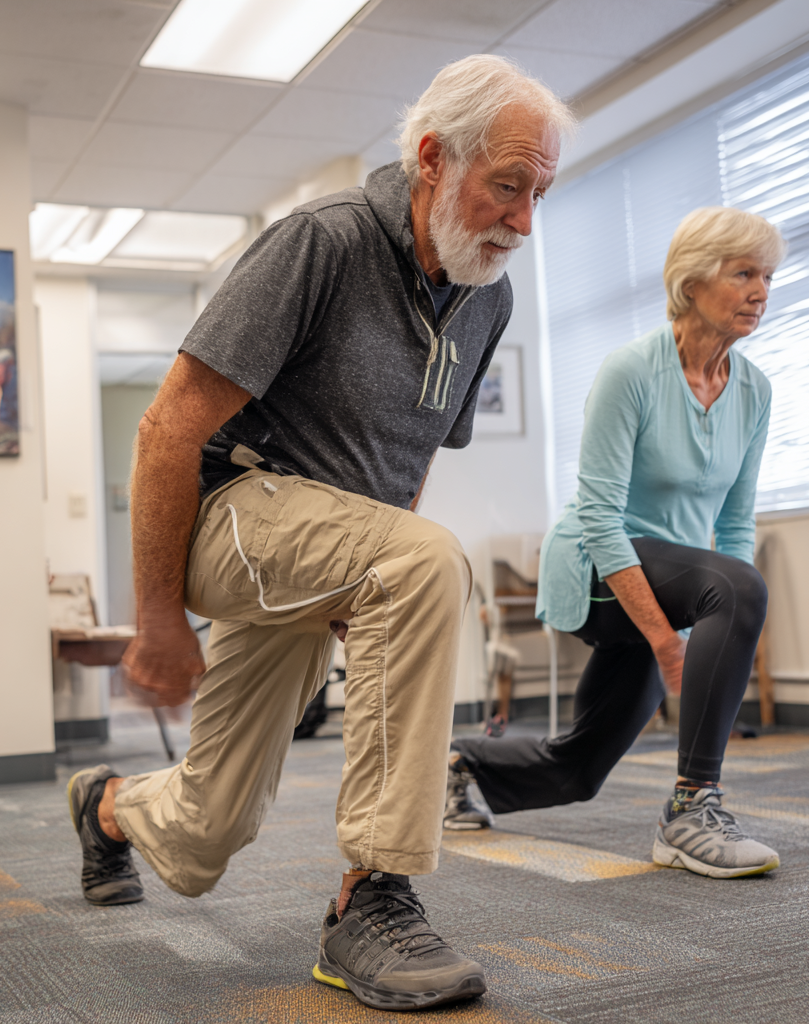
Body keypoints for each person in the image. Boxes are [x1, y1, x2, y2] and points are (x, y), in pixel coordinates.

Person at [65, 55, 575, 1013]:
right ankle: (372, 896)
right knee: (425, 561)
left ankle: (103, 806)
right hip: (233, 519)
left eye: (540, 192)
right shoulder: (321, 243)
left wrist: (371, 574)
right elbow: (167, 428)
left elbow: (413, 452)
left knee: (203, 835)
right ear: (433, 159)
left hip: (318, 552)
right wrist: (157, 619)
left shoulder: (487, 296)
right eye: (509, 185)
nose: (524, 221)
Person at [446, 207, 788, 880]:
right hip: (598, 567)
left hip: (678, 581)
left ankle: (456, 763)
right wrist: (668, 639)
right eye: (744, 272)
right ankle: (692, 810)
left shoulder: (754, 390)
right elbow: (601, 517)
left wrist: (717, 610)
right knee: (735, 584)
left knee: (577, 769)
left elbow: (737, 523)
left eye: (769, 276)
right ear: (692, 283)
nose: (761, 290)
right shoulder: (630, 372)